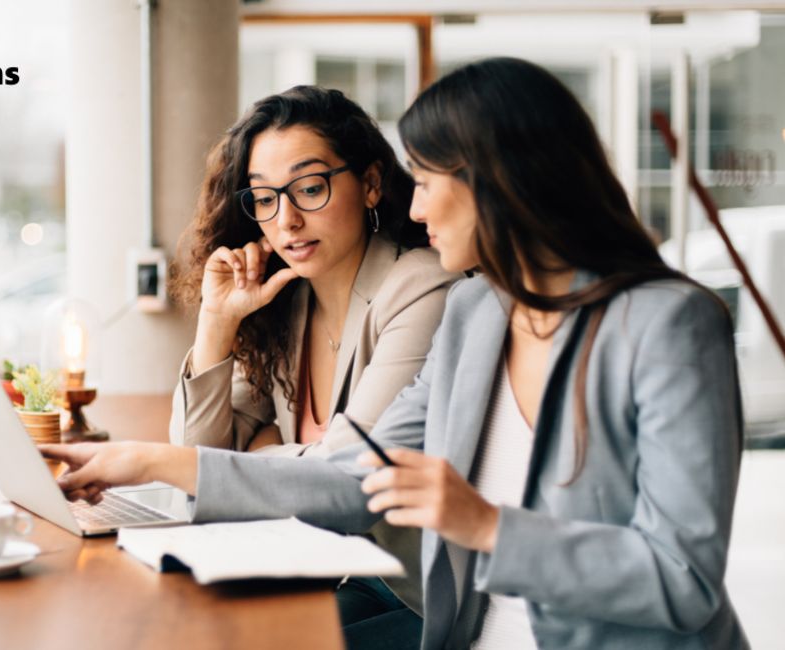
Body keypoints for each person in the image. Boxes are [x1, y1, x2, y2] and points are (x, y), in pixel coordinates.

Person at [42, 58, 747, 649]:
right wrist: (145, 461)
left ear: (500, 182)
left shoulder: (669, 324)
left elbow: (682, 579)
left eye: (430, 182)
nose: (417, 209)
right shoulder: (479, 312)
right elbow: (355, 479)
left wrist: (486, 525)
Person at [165, 86, 457, 635]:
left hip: (402, 590)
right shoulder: (285, 300)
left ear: (370, 184)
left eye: (310, 187)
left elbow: (348, 481)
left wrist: (262, 449)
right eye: (266, 197)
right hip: (307, 568)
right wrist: (217, 322)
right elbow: (199, 465)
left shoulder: (420, 287)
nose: (287, 220)